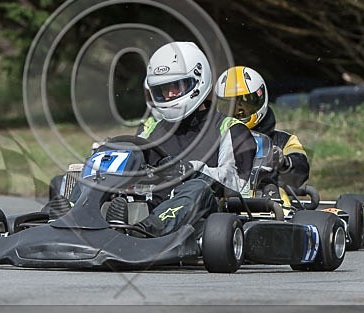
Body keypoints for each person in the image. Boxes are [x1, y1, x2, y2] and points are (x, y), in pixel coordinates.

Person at [127, 42, 258, 237]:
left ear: (197, 81)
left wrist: (191, 170)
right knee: (95, 171)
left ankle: (147, 232)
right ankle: (71, 222)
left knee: (198, 188)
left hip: (205, 219)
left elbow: (238, 186)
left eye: (176, 87)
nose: (169, 95)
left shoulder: (230, 129)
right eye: (163, 89)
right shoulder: (150, 129)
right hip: (149, 206)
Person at [213, 66, 310, 198]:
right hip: (225, 205)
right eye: (229, 106)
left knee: (274, 190)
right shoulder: (213, 142)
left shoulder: (284, 141)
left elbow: (301, 174)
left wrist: (284, 162)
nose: (238, 112)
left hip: (271, 206)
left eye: (244, 104)